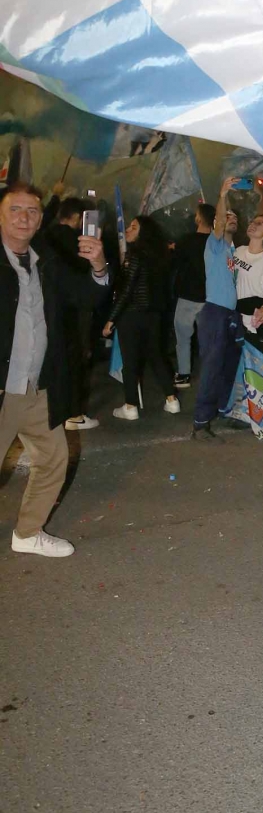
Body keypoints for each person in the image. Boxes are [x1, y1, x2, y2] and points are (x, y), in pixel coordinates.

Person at [0, 183, 109, 557]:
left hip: (38, 386)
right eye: (15, 209)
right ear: (1, 214)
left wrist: (98, 265)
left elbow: (87, 297)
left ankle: (27, 533)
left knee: (53, 459)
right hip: (4, 387)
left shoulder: (45, 257)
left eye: (31, 211)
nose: (24, 217)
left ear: (40, 219)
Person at [102, 216, 180, 421]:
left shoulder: (135, 254)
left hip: (132, 313)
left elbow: (126, 290)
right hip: (154, 315)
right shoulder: (159, 256)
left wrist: (112, 318)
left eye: (133, 227)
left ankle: (130, 405)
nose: (128, 229)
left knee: (130, 360)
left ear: (143, 232)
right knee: (156, 356)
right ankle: (172, 400)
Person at [192, 178, 243, 441]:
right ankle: (201, 421)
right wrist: (223, 195)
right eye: (226, 217)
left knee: (227, 366)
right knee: (212, 367)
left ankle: (223, 409)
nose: (230, 220)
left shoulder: (234, 251)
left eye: (235, 217)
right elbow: (220, 222)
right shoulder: (215, 245)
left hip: (230, 314)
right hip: (214, 312)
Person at [45, 196, 101, 431]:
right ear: (79, 218)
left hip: (49, 310)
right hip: (75, 310)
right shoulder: (78, 241)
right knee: (76, 359)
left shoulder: (45, 237)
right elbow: (85, 277)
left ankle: (58, 408)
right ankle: (74, 414)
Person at [172, 202, 215, 389]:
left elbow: (176, 264)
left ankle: (184, 374)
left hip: (188, 296)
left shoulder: (186, 241)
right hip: (210, 296)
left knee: (183, 338)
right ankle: (210, 373)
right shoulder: (216, 242)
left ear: (198, 218)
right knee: (208, 338)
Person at [233, 212, 263, 348]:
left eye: (259, 223)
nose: (253, 225)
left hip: (250, 323)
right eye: (252, 222)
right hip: (234, 317)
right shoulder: (239, 251)